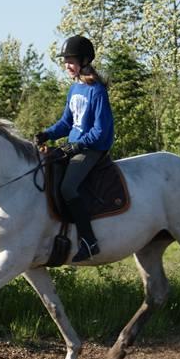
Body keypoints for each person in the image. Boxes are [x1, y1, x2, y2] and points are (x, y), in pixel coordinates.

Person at [35, 35, 114, 262]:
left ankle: (89, 241)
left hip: (92, 149)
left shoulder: (97, 91)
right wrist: (47, 134)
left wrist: (77, 145)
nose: (66, 65)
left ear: (84, 60)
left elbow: (100, 131)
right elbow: (67, 123)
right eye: (65, 61)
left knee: (68, 188)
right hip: (74, 145)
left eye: (70, 61)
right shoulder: (75, 89)